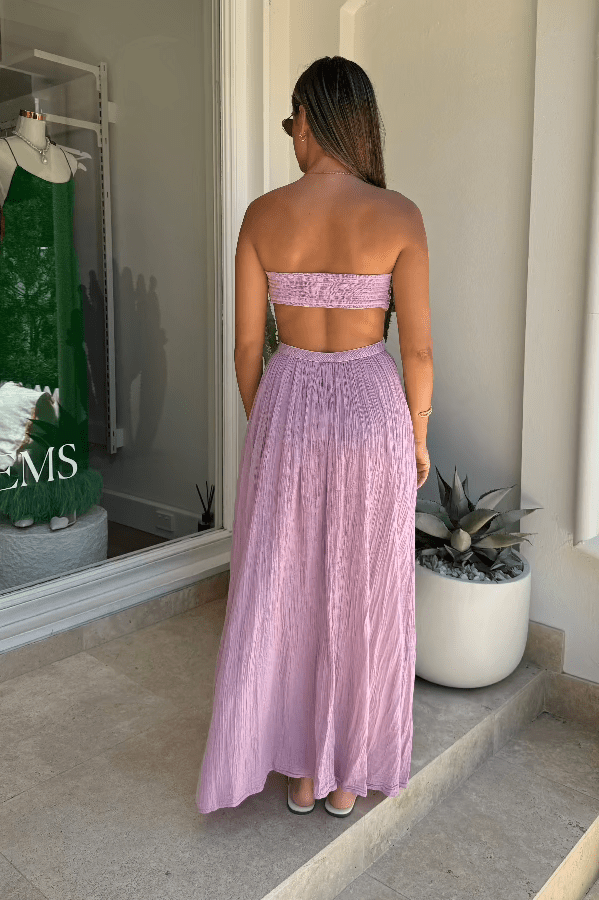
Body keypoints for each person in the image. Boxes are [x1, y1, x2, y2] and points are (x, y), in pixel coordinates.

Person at [196, 55, 433, 818]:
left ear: (308, 118)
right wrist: (418, 437)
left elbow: (246, 348)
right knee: (363, 592)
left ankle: (299, 771)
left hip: (288, 400)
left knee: (288, 588)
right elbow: (419, 353)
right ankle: (345, 777)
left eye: (291, 121)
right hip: (373, 407)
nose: (291, 135)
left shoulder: (263, 215)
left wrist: (266, 421)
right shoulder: (399, 215)